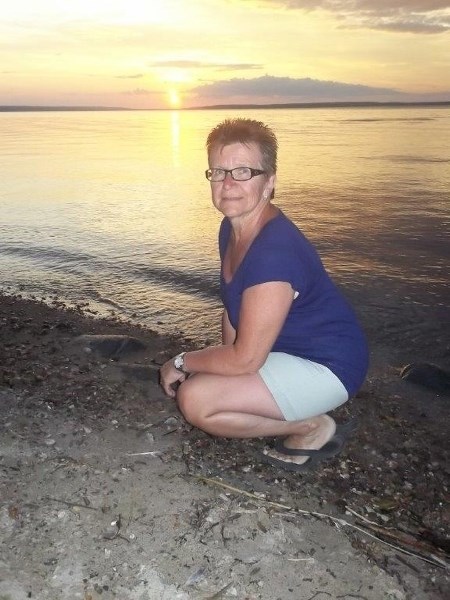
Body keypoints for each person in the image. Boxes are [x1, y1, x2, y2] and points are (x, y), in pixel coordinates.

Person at [160, 118, 369, 472]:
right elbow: (232, 307)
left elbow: (245, 361)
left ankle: (312, 426)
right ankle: (295, 412)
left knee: (196, 400)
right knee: (208, 382)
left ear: (269, 181)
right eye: (218, 172)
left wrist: (181, 361)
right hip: (286, 352)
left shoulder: (275, 253)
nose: (227, 184)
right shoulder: (232, 227)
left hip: (328, 366)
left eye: (243, 171)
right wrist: (224, 364)